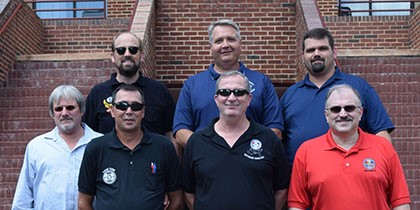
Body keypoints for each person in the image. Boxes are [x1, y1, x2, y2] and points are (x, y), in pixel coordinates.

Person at [279, 27, 394, 165]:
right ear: (302, 56)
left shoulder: (358, 87)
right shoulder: (290, 95)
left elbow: (380, 133)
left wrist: (385, 170)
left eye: (322, 48)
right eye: (310, 50)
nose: (316, 54)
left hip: (351, 176)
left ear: (334, 52)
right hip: (302, 179)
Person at [287, 84, 411, 210]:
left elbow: (400, 202)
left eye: (349, 108)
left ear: (360, 112)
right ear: (326, 115)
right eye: (335, 109)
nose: (343, 114)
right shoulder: (306, 151)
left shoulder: (384, 147)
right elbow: (297, 205)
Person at [182, 71, 290, 210]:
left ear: (249, 98)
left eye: (239, 92)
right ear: (216, 98)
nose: (231, 98)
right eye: (225, 92)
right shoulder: (196, 141)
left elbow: (281, 190)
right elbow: (188, 192)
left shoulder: (269, 139)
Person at [173, 19, 282, 149]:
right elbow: (180, 131)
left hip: (252, 163)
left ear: (240, 44)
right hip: (205, 163)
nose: (225, 45)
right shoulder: (192, 85)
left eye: (230, 39)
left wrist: (243, 154)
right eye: (219, 41)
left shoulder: (262, 82)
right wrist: (208, 151)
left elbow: (275, 130)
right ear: (211, 48)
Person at [78, 84, 183, 210]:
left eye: (136, 106)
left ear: (143, 112)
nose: (129, 111)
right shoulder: (95, 148)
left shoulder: (164, 147)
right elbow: (83, 203)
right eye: (122, 106)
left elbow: (176, 200)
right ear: (112, 111)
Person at [11, 85, 102, 210]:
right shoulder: (37, 147)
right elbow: (23, 198)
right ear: (52, 114)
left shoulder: (101, 144)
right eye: (58, 109)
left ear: (82, 110)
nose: (64, 113)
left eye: (70, 107)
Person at [83, 32, 176, 144]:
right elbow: (87, 136)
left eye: (133, 49)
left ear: (141, 56)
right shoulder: (97, 93)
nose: (127, 54)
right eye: (121, 50)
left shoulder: (159, 91)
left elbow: (171, 135)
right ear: (113, 57)